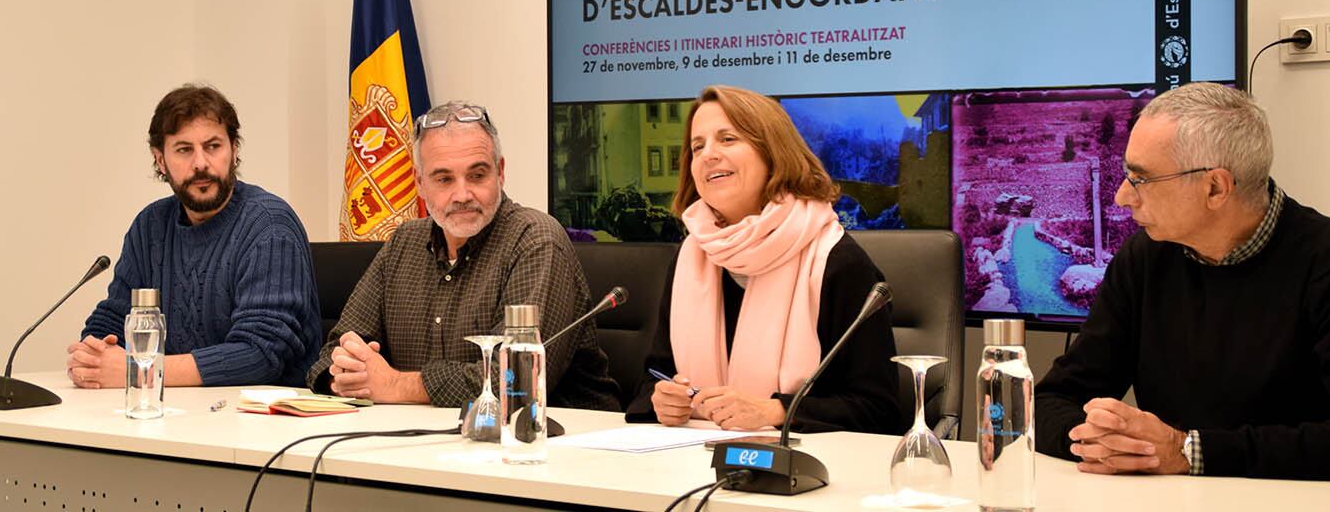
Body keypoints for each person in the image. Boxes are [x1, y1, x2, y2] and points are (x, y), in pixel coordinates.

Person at [1035, 82, 1330, 480]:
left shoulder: (1320, 260)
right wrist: (1099, 440)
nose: (1122, 197)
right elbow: (1053, 398)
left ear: (1215, 187)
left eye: (1140, 179)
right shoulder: (1144, 257)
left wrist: (1187, 452)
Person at [626, 85, 904, 433]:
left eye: (727, 139)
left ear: (772, 152)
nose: (708, 154)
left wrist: (775, 411)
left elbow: (879, 411)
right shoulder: (690, 259)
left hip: (810, 474)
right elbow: (656, 376)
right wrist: (662, 400)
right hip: (691, 463)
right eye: (698, 146)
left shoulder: (839, 262)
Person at [307, 101, 620, 409]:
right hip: (426, 443)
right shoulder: (403, 243)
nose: (462, 195)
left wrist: (394, 385)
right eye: (444, 179)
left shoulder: (535, 239)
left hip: (552, 445)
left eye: (477, 175)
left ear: (500, 172)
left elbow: (517, 380)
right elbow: (333, 351)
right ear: (419, 183)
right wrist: (345, 377)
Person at [69, 85, 321, 388]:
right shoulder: (150, 226)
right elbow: (114, 317)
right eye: (184, 150)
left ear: (234, 150)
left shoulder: (269, 224)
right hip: (177, 414)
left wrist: (139, 370)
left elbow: (261, 354)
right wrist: (92, 355)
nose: (201, 163)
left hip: (267, 421)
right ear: (160, 159)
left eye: (213, 146)